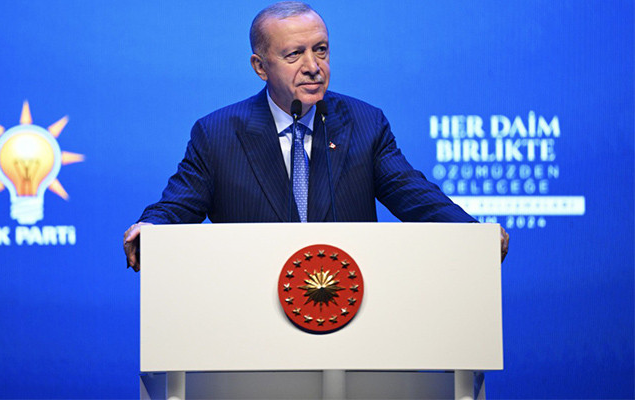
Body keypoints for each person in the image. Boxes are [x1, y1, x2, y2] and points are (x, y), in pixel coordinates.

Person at [123, 1, 509, 271]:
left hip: (349, 308)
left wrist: (471, 234)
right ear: (260, 67)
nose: (313, 66)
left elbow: (413, 195)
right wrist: (151, 229)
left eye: (321, 50)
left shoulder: (364, 123)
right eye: (294, 55)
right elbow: (179, 205)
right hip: (250, 315)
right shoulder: (218, 133)